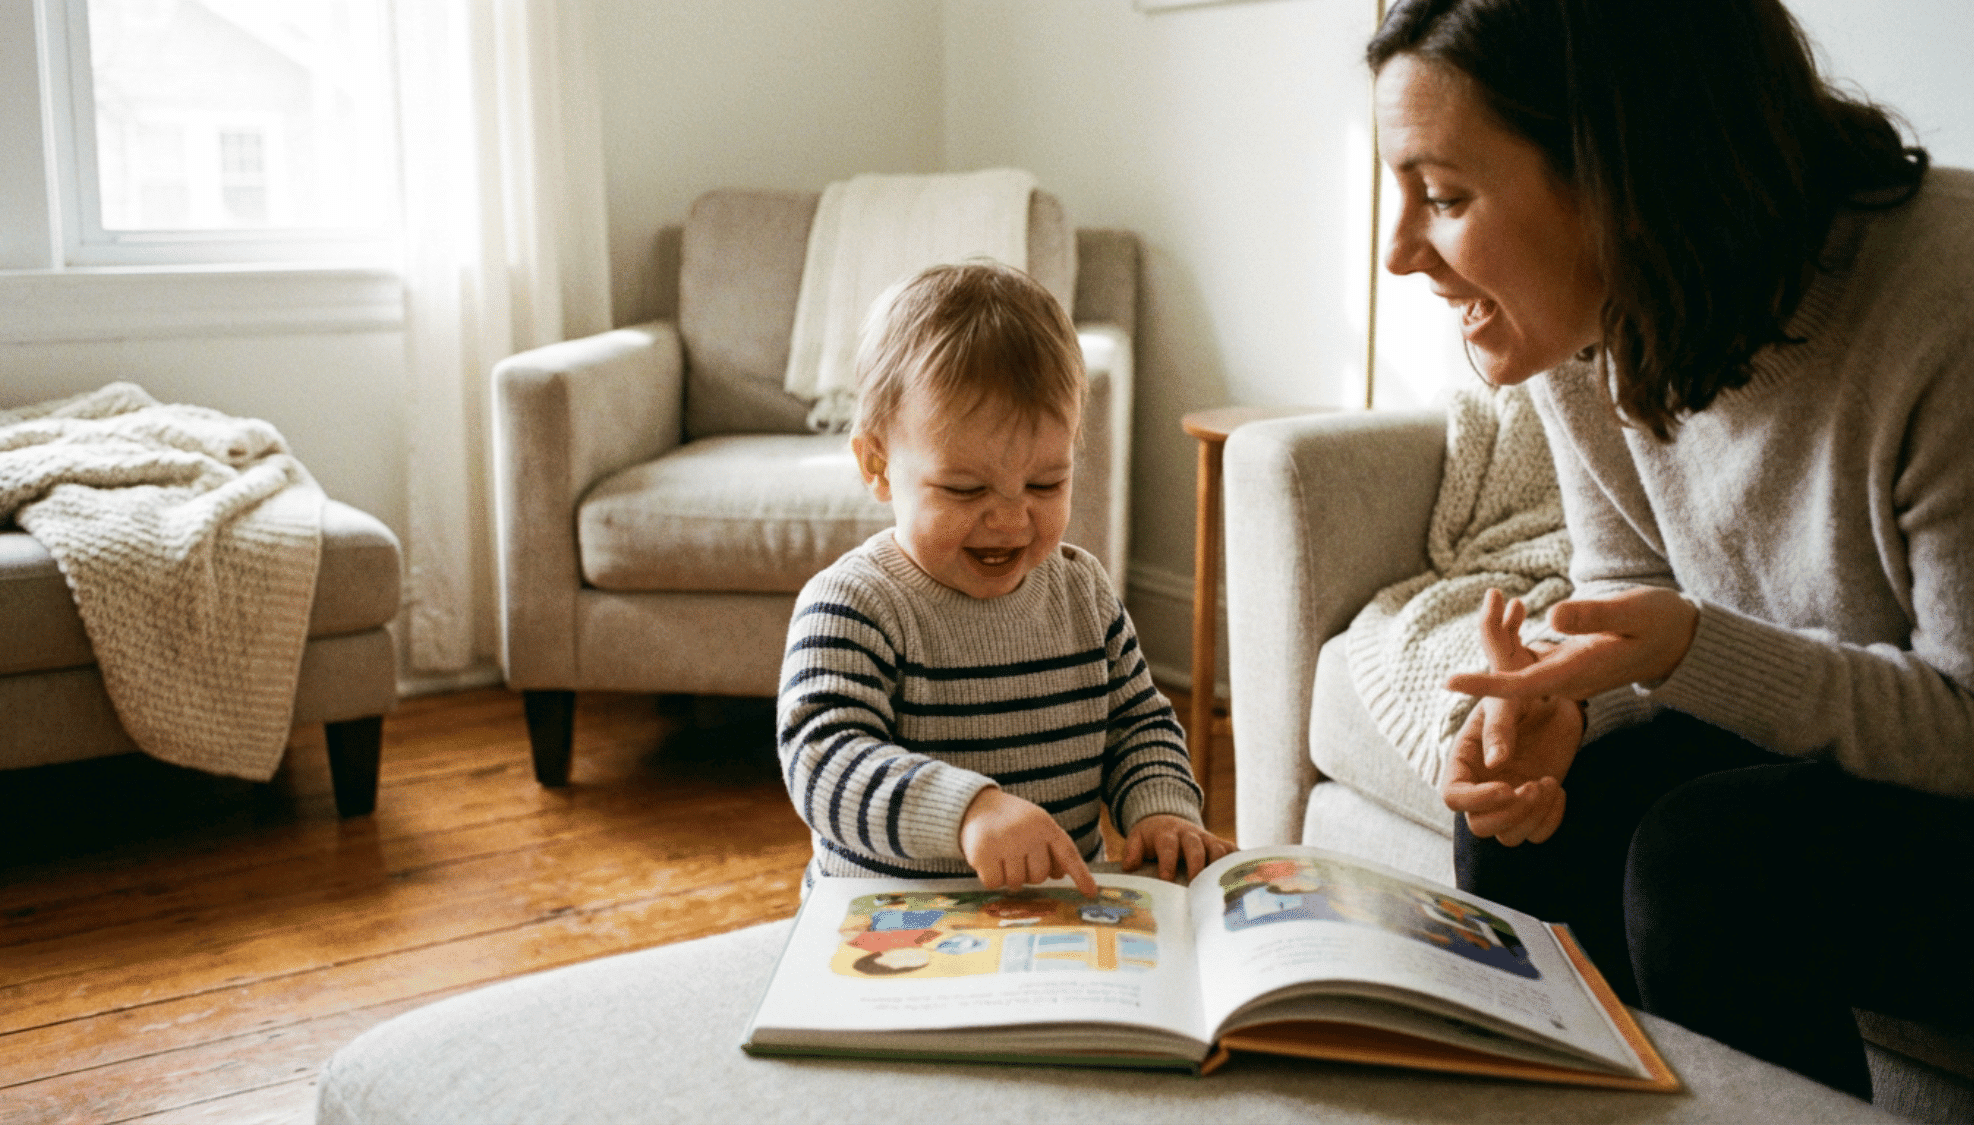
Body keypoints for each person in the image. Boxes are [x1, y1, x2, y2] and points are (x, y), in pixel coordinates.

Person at [1368, 0, 1974, 1100]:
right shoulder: (1583, 317)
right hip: (1843, 758)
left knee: (1711, 859)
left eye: (1444, 197)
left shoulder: (1947, 300)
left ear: (1621, 174)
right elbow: (1631, 585)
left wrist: (1687, 649)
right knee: (1521, 825)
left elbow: (1964, 724)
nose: (1401, 251)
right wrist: (1561, 704)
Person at [777, 261, 1233, 900]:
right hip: (892, 930)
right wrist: (968, 811)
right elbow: (823, 762)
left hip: (1050, 921)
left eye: (1047, 483)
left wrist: (1160, 810)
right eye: (965, 488)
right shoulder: (853, 604)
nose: (1012, 519)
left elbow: (1137, 724)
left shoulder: (1083, 591)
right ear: (876, 465)